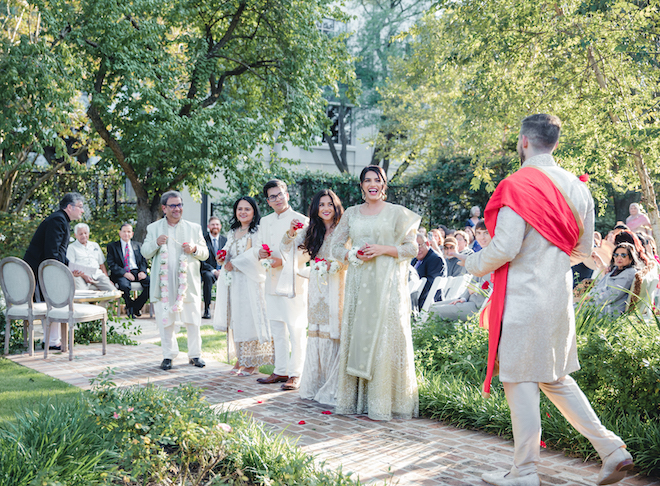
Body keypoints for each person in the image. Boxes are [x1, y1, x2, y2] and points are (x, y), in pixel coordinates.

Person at [456, 114, 633, 486]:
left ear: (524, 142)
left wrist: (471, 263)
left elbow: (504, 247)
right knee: (555, 379)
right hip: (557, 298)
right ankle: (612, 450)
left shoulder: (517, 184)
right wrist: (548, 263)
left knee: (520, 380)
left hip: (523, 298)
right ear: (554, 142)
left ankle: (525, 472)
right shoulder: (577, 187)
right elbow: (582, 250)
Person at [331, 165, 420, 421]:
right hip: (359, 284)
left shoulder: (397, 214)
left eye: (377, 180)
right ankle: (357, 400)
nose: (373, 184)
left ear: (384, 185)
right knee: (359, 334)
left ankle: (384, 402)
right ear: (361, 187)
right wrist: (351, 254)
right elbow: (336, 247)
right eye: (367, 180)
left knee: (384, 337)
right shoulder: (350, 213)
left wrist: (383, 249)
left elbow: (412, 248)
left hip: (387, 288)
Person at [282, 189, 346, 404]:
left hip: (338, 285)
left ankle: (334, 385)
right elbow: (287, 247)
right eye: (321, 205)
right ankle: (315, 384)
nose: (325, 208)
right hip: (317, 286)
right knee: (317, 332)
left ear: (336, 206)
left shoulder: (344, 229)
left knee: (333, 332)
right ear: (315, 209)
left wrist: (335, 265)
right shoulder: (312, 229)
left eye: (329, 204)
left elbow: (351, 255)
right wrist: (290, 232)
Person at [141, 191, 209, 370]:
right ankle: (168, 355)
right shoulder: (153, 228)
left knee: (193, 319)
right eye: (173, 205)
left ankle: (195, 355)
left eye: (180, 205)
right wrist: (156, 243)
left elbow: (205, 253)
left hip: (188, 283)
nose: (177, 209)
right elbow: (145, 252)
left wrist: (194, 248)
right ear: (164, 208)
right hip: (164, 282)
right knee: (166, 319)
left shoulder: (194, 228)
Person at [255, 180, 309, 390]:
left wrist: (284, 262)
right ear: (268, 201)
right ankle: (280, 370)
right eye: (272, 197)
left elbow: (307, 252)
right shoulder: (265, 222)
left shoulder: (302, 220)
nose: (277, 199)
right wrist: (261, 254)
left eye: (279, 194)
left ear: (287, 194)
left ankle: (296, 373)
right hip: (271, 280)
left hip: (293, 281)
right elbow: (261, 246)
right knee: (277, 329)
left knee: (295, 329)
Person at [213, 197, 272, 376]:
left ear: (254, 211)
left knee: (250, 320)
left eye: (247, 209)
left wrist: (236, 263)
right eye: (240, 209)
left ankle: (252, 362)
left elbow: (256, 254)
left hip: (250, 281)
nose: (243, 212)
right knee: (237, 319)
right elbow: (227, 249)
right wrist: (222, 257)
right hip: (234, 283)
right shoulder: (233, 231)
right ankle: (241, 357)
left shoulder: (257, 231)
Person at [23, 192, 86, 350]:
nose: (82, 210)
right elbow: (52, 253)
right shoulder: (58, 219)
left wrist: (71, 267)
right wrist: (65, 271)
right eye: (80, 206)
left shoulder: (60, 219)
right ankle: (52, 341)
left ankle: (51, 340)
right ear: (69, 207)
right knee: (54, 302)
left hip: (45, 270)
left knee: (54, 302)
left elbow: (57, 253)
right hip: (40, 272)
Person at [430, 220, 492, 321]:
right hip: (469, 300)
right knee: (432, 307)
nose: (482, 237)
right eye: (479, 233)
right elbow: (472, 283)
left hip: (479, 306)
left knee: (435, 311)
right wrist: (463, 298)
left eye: (486, 233)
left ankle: (433, 336)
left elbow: (489, 288)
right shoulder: (481, 254)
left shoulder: (494, 257)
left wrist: (475, 288)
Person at [582, 242, 639, 316]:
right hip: (600, 304)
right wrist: (589, 296)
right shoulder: (616, 270)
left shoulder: (628, 273)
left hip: (610, 310)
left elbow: (613, 294)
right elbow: (600, 285)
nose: (619, 258)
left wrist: (592, 298)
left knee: (574, 309)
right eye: (616, 255)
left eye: (623, 255)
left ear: (631, 258)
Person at [107, 223, 150, 318]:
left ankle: (134, 307)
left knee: (152, 284)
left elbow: (143, 261)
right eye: (124, 231)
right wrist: (124, 273)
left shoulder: (138, 245)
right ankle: (131, 308)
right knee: (124, 286)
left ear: (132, 234)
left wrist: (142, 271)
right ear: (120, 233)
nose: (126, 234)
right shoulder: (112, 246)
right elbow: (111, 264)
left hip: (137, 272)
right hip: (122, 273)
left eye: (129, 232)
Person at [66, 223, 115, 291]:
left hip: (97, 275)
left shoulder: (95, 245)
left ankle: (102, 302)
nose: (84, 235)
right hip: (80, 276)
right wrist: (84, 276)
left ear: (88, 234)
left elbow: (101, 265)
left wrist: (107, 279)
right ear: (75, 235)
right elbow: (71, 268)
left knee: (113, 292)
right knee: (82, 296)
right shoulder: (71, 248)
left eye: (85, 233)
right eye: (80, 234)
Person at [201, 216, 227, 319]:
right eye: (213, 224)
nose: (215, 226)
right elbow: (201, 260)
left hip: (224, 270)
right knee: (207, 277)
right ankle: (207, 309)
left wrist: (223, 269)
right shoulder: (203, 240)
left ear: (220, 226)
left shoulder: (225, 240)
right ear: (208, 226)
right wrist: (214, 271)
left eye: (217, 224)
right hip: (208, 270)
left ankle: (226, 310)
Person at [411, 232, 446, 307]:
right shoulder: (415, 259)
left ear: (427, 243)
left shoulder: (435, 259)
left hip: (427, 303)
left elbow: (429, 286)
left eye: (419, 246)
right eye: (413, 248)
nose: (417, 250)